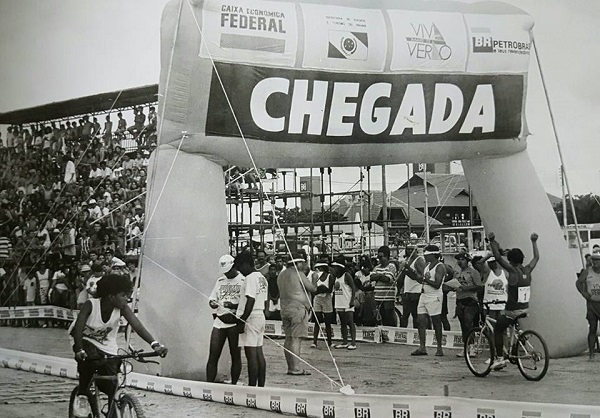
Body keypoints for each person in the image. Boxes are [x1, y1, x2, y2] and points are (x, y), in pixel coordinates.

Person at [69, 274, 167, 417]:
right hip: (83, 339)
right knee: (90, 361)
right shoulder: (91, 305)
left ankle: (112, 410)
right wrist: (78, 350)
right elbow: (78, 329)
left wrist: (155, 345)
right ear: (111, 296)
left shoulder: (122, 307)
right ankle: (83, 394)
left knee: (112, 381)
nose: (127, 298)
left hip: (106, 344)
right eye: (123, 295)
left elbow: (138, 326)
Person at [489, 232, 539, 370]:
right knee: (513, 327)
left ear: (510, 260)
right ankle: (518, 342)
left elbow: (498, 258)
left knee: (498, 330)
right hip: (525, 308)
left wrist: (492, 240)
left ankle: (499, 358)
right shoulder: (528, 270)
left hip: (512, 310)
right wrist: (534, 242)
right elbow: (536, 257)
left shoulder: (512, 271)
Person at [206, 254, 244, 384]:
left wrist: (233, 305)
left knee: (235, 355)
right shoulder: (220, 281)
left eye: (228, 271)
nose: (226, 274)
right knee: (213, 354)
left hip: (234, 322)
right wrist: (212, 303)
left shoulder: (242, 281)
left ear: (233, 267)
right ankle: (209, 384)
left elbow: (248, 303)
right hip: (220, 321)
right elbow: (212, 299)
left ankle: (234, 384)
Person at [277, 253, 316, 375]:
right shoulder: (299, 274)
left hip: (284, 308)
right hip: (297, 308)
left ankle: (291, 367)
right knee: (296, 339)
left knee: (288, 338)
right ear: (297, 263)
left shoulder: (281, 275)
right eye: (302, 262)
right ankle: (295, 368)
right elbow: (313, 288)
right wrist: (314, 278)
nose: (304, 265)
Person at [234, 252, 268, 387]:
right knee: (259, 351)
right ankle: (261, 386)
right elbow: (264, 300)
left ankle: (252, 386)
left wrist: (242, 320)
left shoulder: (250, 278)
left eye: (240, 267)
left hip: (251, 316)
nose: (240, 271)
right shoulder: (262, 278)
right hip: (260, 315)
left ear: (246, 264)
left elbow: (250, 299)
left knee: (251, 354)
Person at [411, 245, 446, 357]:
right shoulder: (427, 266)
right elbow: (423, 279)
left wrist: (425, 280)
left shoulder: (440, 266)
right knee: (420, 320)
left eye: (426, 255)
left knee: (436, 321)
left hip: (434, 296)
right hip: (424, 294)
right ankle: (422, 347)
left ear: (432, 255)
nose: (425, 257)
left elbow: (437, 284)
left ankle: (439, 347)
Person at [453, 252, 483, 357]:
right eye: (458, 260)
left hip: (470, 300)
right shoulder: (457, 272)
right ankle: (466, 346)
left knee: (468, 323)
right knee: (463, 325)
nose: (460, 262)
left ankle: (472, 346)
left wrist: (467, 288)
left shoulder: (473, 272)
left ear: (467, 260)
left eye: (462, 259)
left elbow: (479, 286)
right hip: (460, 300)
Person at [576, 248, 600, 360]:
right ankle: (591, 354)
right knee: (592, 328)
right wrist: (584, 294)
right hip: (592, 305)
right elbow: (578, 283)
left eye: (597, 260)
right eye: (593, 260)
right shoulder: (587, 271)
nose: (595, 262)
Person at [332, 256, 357, 350]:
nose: (334, 269)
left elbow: (353, 288)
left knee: (350, 322)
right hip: (339, 302)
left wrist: (352, 301)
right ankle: (345, 341)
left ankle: (353, 342)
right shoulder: (336, 277)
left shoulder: (346, 275)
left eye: (335, 267)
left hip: (347, 301)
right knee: (342, 323)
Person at [398, 246, 426, 328]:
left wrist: (409, 269)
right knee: (405, 315)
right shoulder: (406, 260)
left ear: (416, 251)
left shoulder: (419, 260)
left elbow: (421, 276)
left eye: (412, 249)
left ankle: (416, 333)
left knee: (415, 315)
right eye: (408, 249)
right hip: (407, 291)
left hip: (416, 291)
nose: (410, 251)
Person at [370, 245, 398, 327]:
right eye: (378, 257)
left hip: (388, 297)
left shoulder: (391, 266)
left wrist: (378, 276)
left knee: (389, 318)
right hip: (377, 297)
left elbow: (388, 279)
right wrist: (381, 276)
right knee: (379, 318)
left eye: (381, 257)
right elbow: (372, 277)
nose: (379, 259)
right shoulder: (376, 267)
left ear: (387, 256)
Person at [310, 259, 335, 348]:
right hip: (317, 299)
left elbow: (330, 290)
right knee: (317, 320)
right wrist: (319, 289)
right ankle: (314, 341)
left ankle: (329, 342)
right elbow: (313, 290)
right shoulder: (315, 276)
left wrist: (321, 288)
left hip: (327, 299)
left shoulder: (330, 276)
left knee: (328, 322)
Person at [481, 256, 508, 320]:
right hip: (489, 306)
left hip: (502, 305)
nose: (493, 264)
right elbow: (480, 263)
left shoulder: (505, 273)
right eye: (491, 262)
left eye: (494, 262)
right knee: (490, 327)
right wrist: (489, 255)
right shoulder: (487, 272)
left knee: (502, 327)